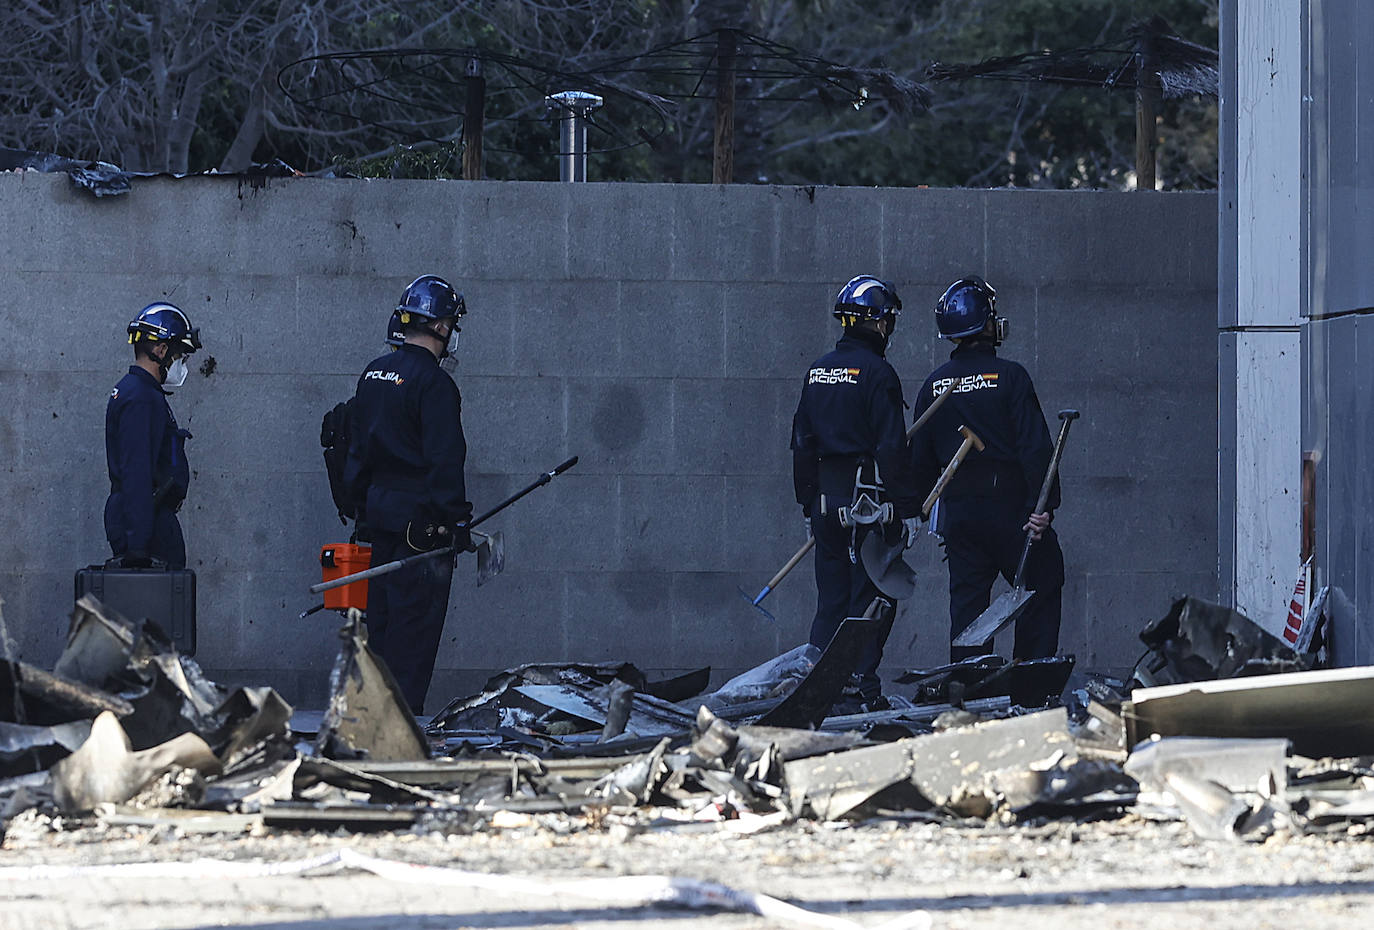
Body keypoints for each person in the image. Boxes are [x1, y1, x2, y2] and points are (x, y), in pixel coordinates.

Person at [909, 276, 1064, 662]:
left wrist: (915, 508)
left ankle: (968, 686)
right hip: (1012, 511)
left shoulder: (933, 385)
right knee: (1042, 582)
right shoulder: (1010, 376)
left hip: (960, 515)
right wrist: (1044, 507)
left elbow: (920, 462)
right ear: (986, 325)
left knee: (968, 606)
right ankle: (1030, 679)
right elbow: (1035, 448)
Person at [343, 275, 474, 714]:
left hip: (379, 525)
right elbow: (444, 460)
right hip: (423, 537)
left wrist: (364, 504)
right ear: (440, 327)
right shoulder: (434, 384)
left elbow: (356, 451)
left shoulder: (373, 373)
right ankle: (397, 740)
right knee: (411, 649)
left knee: (378, 639)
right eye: (451, 323)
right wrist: (456, 521)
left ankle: (369, 730)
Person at [790, 275, 922, 709]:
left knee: (831, 599)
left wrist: (806, 500)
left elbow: (801, 441)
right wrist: (908, 507)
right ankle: (859, 689)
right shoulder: (879, 374)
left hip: (826, 502)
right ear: (880, 323)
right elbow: (890, 446)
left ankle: (818, 691)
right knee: (872, 598)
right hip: (867, 503)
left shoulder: (818, 370)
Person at [105, 302, 202, 570]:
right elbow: (136, 471)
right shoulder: (141, 398)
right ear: (160, 350)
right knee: (159, 607)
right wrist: (138, 547)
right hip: (149, 525)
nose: (181, 364)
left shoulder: (140, 393)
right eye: (180, 355)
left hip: (148, 520)